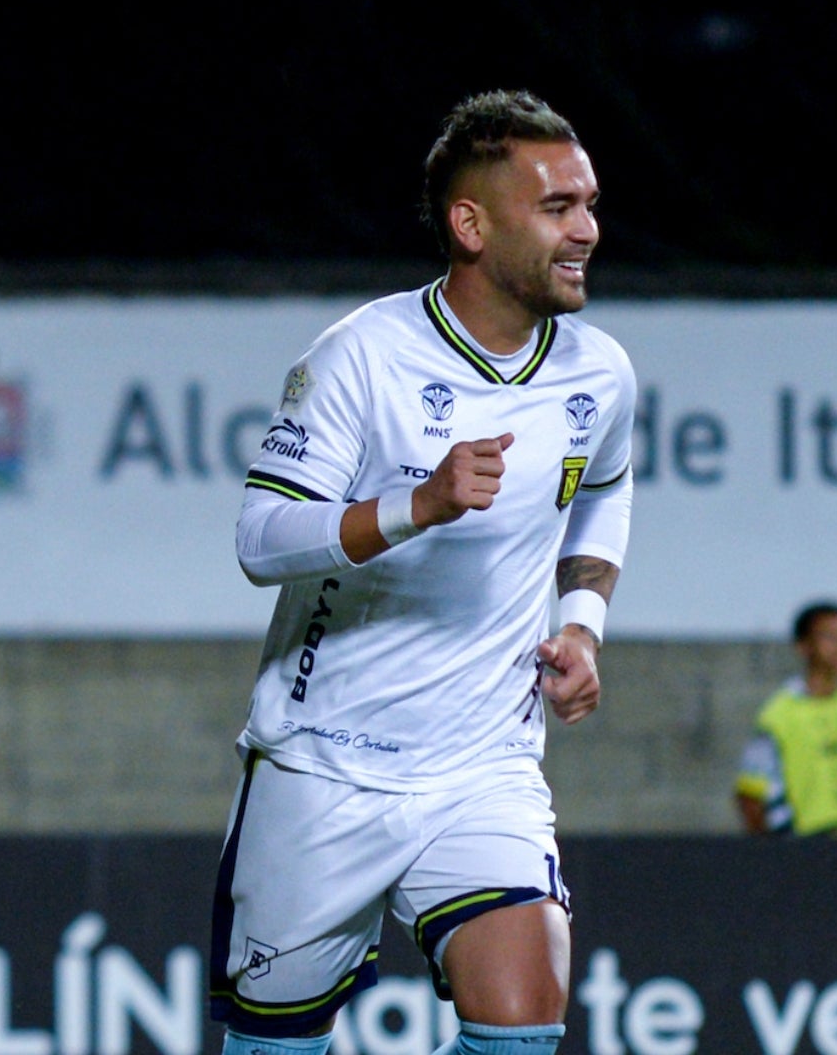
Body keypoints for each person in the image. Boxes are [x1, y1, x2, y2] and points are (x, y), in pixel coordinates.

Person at [207, 90, 635, 1055]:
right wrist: (418, 506)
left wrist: (581, 622)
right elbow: (261, 539)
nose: (587, 231)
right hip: (323, 765)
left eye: (589, 204)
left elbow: (605, 489)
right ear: (471, 225)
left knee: (523, 1027)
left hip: (485, 763)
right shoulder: (362, 356)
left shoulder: (600, 373)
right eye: (557, 207)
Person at [735, 602, 837, 837]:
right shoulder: (778, 717)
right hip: (814, 846)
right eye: (829, 637)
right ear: (803, 646)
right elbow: (750, 796)